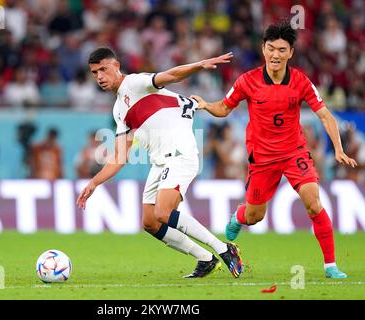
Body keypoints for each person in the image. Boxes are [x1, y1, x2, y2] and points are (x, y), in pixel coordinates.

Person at [191, 21, 357, 279]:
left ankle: (330, 265)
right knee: (255, 215)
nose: (275, 55)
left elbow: (325, 115)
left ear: (290, 52)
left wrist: (338, 148)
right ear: (263, 49)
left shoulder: (301, 81)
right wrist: (205, 105)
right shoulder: (248, 80)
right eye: (271, 48)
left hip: (294, 153)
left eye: (281, 49)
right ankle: (238, 217)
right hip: (262, 158)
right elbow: (224, 108)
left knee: (313, 203)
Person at [77, 47, 243, 279]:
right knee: (150, 222)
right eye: (95, 73)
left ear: (116, 66)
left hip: (180, 154)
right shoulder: (118, 110)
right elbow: (120, 156)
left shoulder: (135, 83)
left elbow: (169, 76)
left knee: (164, 212)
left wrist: (198, 64)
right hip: (161, 162)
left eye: (103, 69)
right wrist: (94, 183)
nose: (100, 77)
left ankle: (224, 249)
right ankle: (205, 259)